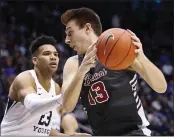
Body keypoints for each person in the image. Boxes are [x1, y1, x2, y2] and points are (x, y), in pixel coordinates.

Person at [60, 7, 167, 136]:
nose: (66, 40)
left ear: (87, 28)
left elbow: (161, 87)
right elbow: (67, 107)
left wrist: (142, 58)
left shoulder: (119, 49)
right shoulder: (73, 64)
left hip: (134, 132)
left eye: (70, 33)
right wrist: (82, 70)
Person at [0, 35, 91, 136]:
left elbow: (43, 130)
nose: (53, 57)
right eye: (47, 54)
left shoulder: (55, 88)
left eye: (56, 54)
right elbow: (34, 106)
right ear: (35, 60)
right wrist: (64, 98)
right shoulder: (25, 78)